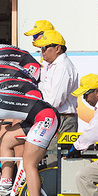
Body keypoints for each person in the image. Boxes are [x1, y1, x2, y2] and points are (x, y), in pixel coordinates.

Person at [32, 29, 79, 166]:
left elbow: (54, 101)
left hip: (62, 119)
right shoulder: (54, 65)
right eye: (41, 48)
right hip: (57, 117)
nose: (42, 52)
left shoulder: (63, 67)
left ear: (57, 48)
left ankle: (54, 187)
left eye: (45, 48)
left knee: (55, 161)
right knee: (50, 158)